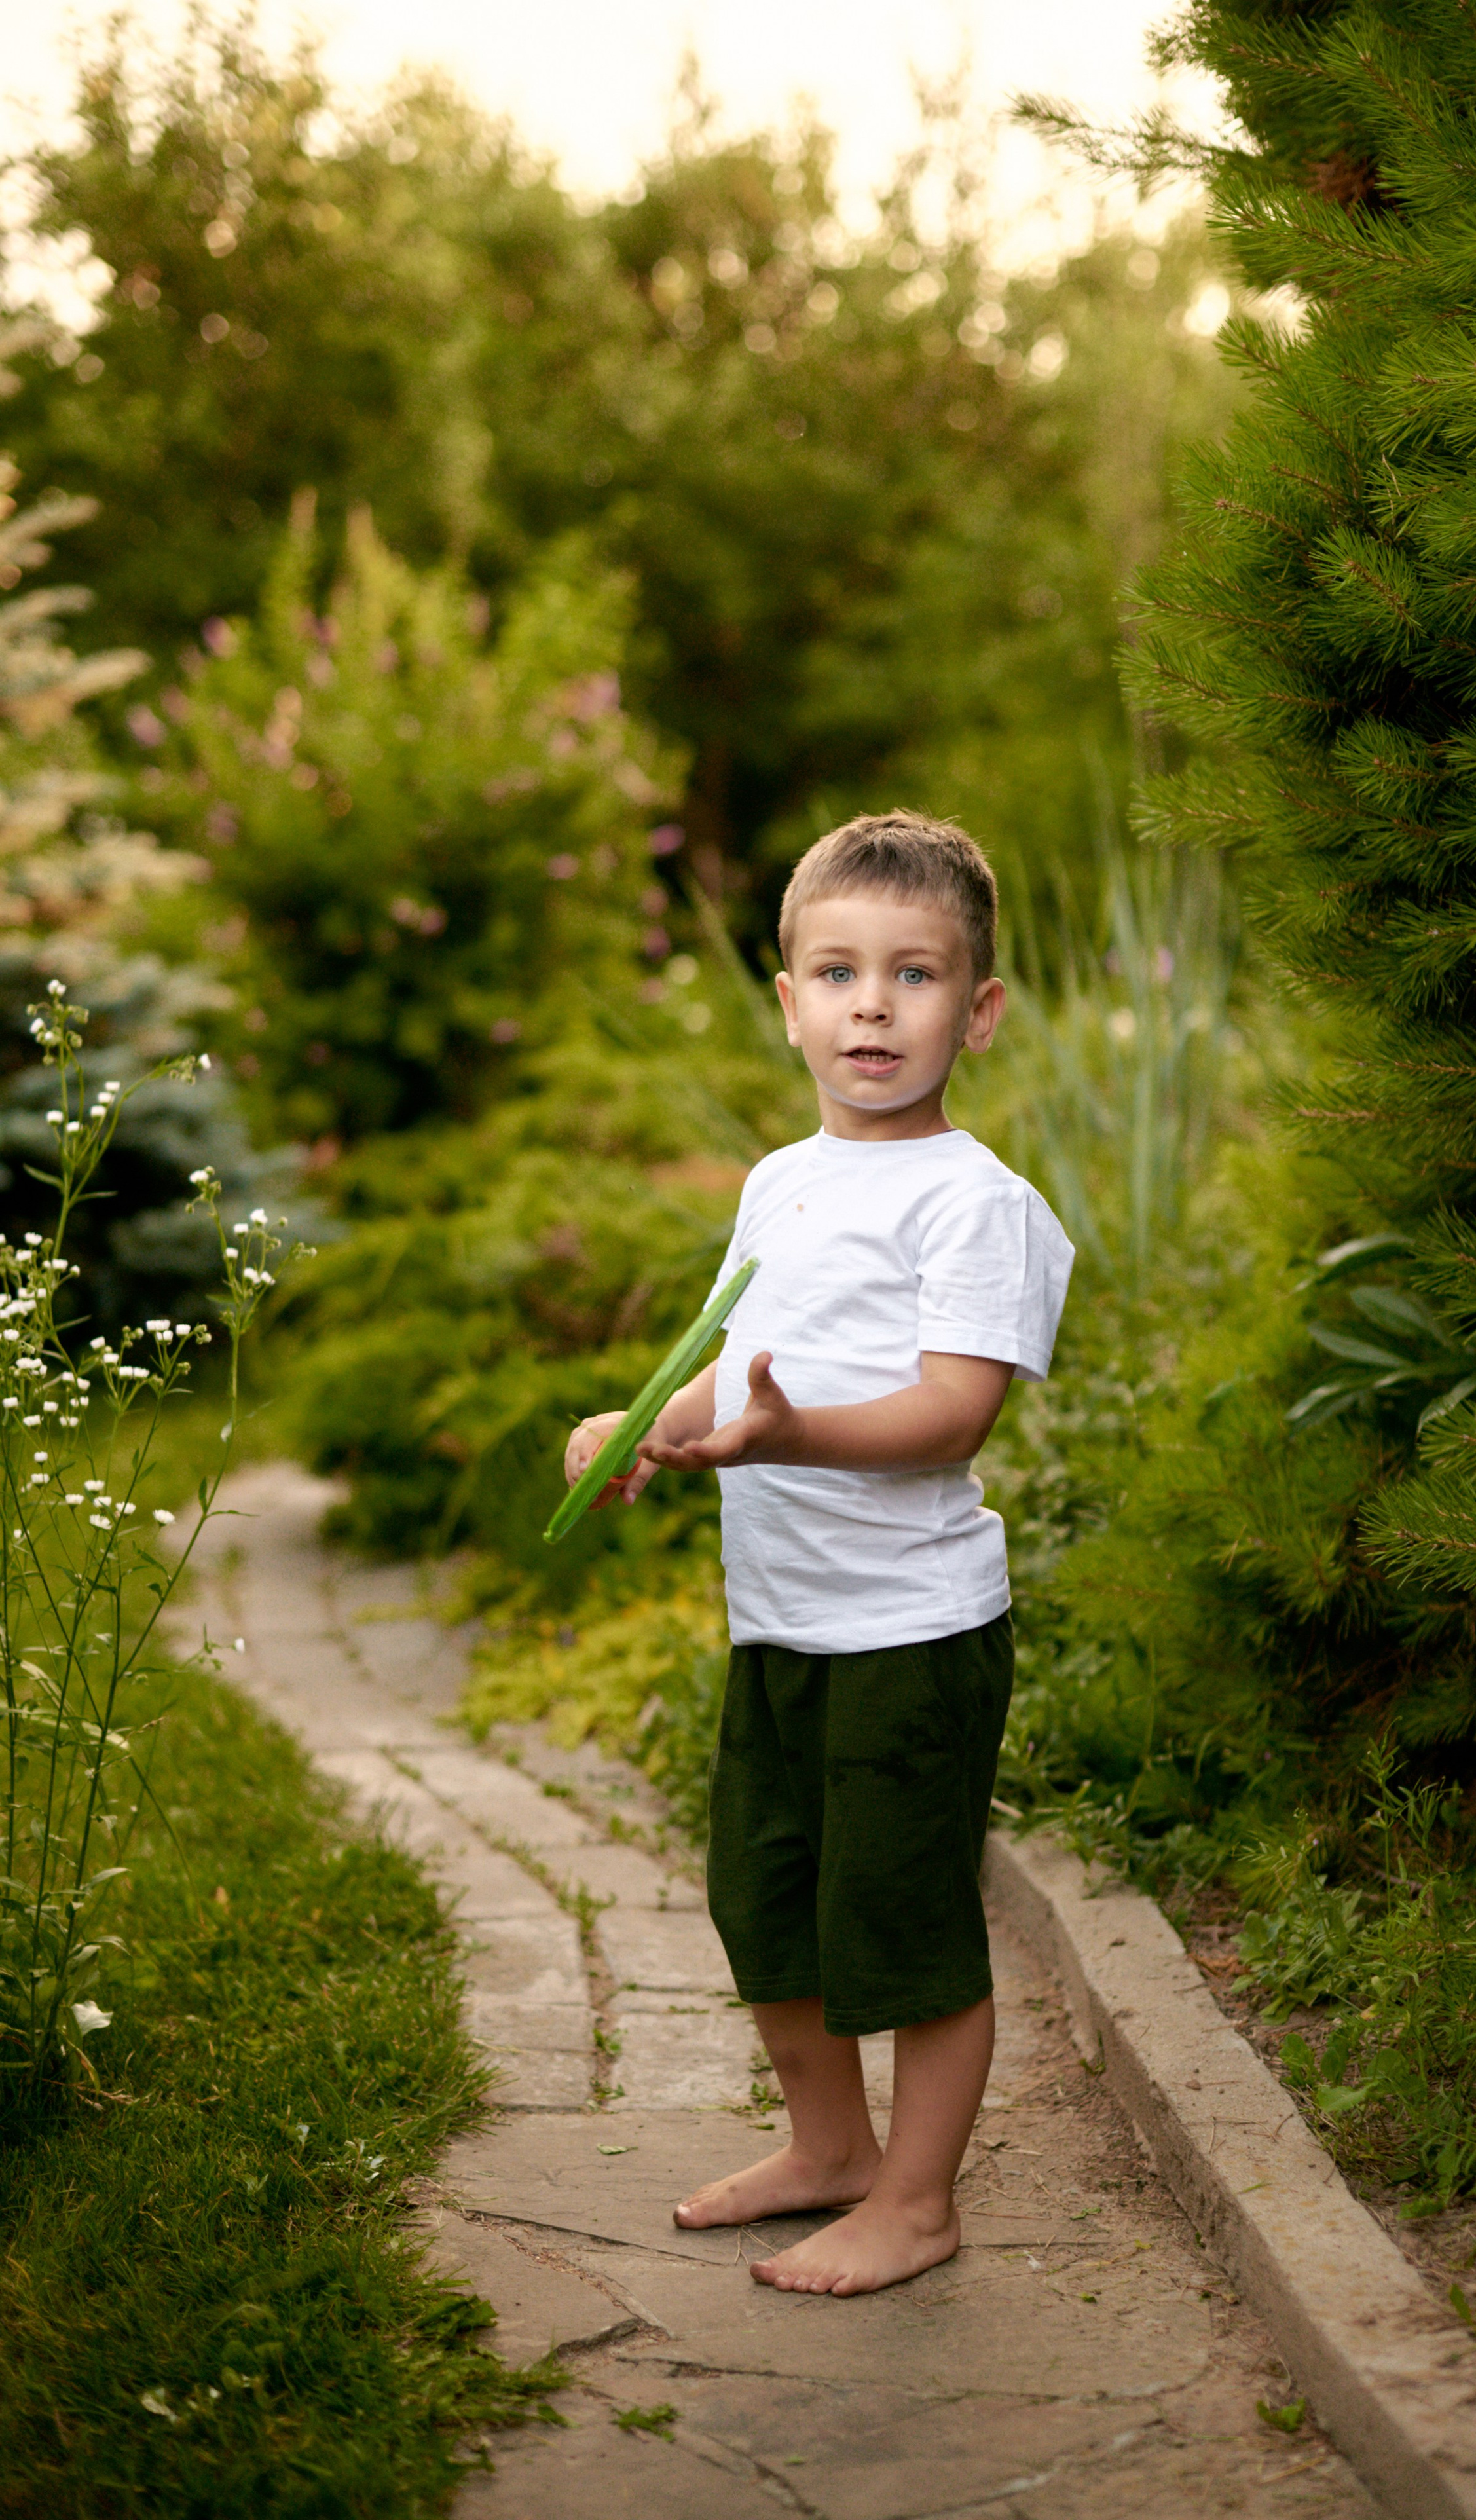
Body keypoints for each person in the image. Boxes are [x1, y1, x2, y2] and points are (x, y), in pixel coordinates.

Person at [563, 810, 1074, 2296]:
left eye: (912, 974)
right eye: (836, 971)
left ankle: (916, 2201)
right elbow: (742, 1375)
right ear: (786, 1002)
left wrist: (780, 1438)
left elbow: (946, 1412)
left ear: (973, 1012)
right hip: (779, 1620)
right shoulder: (778, 1182)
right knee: (765, 1899)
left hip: (908, 1631)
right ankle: (832, 2149)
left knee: (899, 1920)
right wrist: (638, 1421)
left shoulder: (975, 1201)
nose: (871, 1003)